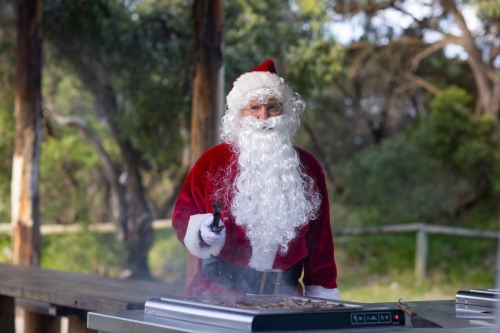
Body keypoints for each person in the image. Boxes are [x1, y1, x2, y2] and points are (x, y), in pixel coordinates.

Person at [172, 59, 339, 299]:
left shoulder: (308, 167)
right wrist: (201, 230)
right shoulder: (213, 161)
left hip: (286, 300)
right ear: (240, 114)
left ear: (284, 111)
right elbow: (182, 213)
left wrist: (322, 294)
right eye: (254, 108)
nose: (264, 117)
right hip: (216, 296)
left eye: (272, 107)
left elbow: (320, 240)